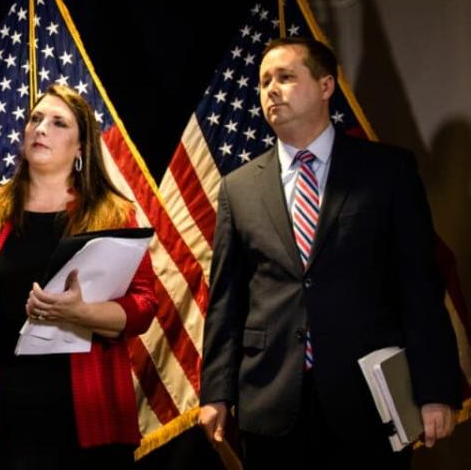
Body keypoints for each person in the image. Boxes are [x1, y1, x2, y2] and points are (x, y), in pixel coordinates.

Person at [198, 37, 462, 469]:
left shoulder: (387, 171)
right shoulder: (238, 187)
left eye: (285, 77)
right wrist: (216, 393)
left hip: (368, 404)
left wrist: (435, 390)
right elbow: (226, 301)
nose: (271, 90)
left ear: (325, 86)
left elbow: (418, 286)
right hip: (271, 404)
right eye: (264, 81)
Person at [0, 84, 157, 469]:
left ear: (80, 149)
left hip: (89, 420)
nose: (40, 128)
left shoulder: (113, 214)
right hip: (2, 418)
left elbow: (143, 306)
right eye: (35, 119)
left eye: (59, 123)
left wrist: (82, 314)